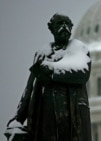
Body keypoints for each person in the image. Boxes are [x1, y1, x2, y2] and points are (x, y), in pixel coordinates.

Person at [5, 13, 92, 141]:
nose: (64, 27)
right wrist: (18, 118)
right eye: (59, 24)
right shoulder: (42, 54)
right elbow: (30, 88)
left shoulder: (78, 48)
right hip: (46, 113)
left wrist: (51, 69)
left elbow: (81, 72)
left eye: (67, 24)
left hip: (70, 114)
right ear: (51, 29)